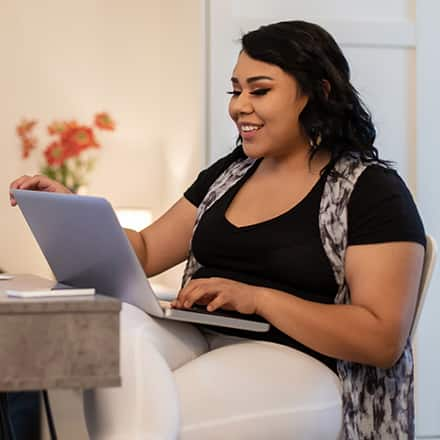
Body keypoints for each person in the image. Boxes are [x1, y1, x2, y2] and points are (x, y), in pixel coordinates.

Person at [9, 20, 425, 440]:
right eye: (235, 90)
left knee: (154, 415)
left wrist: (258, 299)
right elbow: (148, 250)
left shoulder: (370, 190)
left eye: (259, 90)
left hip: (299, 364)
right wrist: (72, 206)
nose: (239, 106)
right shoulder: (229, 174)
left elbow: (381, 337)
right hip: (201, 338)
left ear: (319, 92)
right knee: (117, 328)